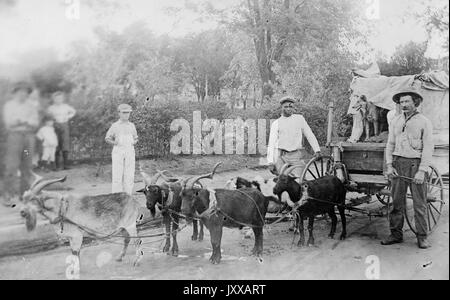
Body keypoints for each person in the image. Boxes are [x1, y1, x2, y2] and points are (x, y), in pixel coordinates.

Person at [382, 88, 433, 249]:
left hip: (415, 165)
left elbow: (428, 147)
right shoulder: (396, 121)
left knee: (419, 204)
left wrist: (422, 170)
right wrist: (389, 165)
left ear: (415, 103)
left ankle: (422, 236)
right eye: (401, 102)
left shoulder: (424, 121)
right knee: (396, 203)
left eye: (407, 101)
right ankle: (396, 234)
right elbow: (390, 144)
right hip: (398, 165)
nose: (403, 104)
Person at [1, 81, 40, 206]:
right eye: (20, 91)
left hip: (28, 139)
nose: (23, 94)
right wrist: (25, 121)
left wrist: (21, 121)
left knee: (27, 166)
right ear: (15, 92)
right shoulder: (9, 106)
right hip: (15, 138)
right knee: (12, 166)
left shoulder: (31, 106)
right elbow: (9, 123)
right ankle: (7, 195)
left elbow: (34, 123)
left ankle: (24, 194)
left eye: (25, 92)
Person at [267, 95, 322, 178]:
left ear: (293, 107)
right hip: (280, 157)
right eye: (286, 107)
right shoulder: (276, 123)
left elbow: (309, 134)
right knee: (283, 182)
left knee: (298, 181)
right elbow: (271, 143)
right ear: (281, 108)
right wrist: (270, 162)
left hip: (295, 155)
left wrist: (317, 150)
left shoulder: (299, 119)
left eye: (291, 106)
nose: (289, 109)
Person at [105, 104, 138, 195]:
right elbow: (107, 138)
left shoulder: (132, 125)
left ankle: (128, 197)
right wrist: (115, 142)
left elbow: (136, 138)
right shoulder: (115, 126)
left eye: (128, 113)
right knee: (117, 175)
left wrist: (133, 142)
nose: (126, 115)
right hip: (118, 151)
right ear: (119, 113)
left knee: (130, 175)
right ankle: (116, 198)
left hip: (130, 151)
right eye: (124, 113)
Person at [47, 91, 76, 170]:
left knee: (65, 144)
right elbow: (48, 116)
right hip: (55, 126)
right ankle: (56, 166)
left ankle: (66, 165)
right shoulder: (51, 108)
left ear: (62, 99)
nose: (58, 100)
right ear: (54, 99)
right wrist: (53, 121)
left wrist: (68, 117)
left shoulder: (65, 106)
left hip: (64, 125)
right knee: (56, 144)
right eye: (56, 98)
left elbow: (73, 112)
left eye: (60, 98)